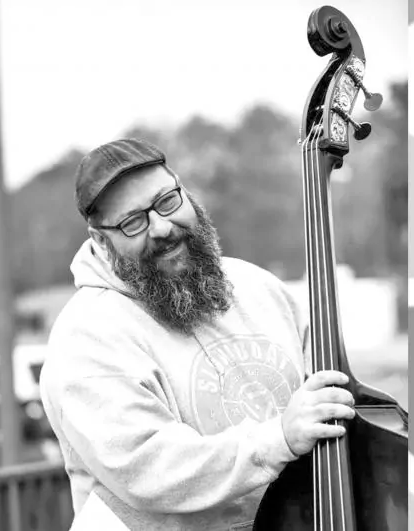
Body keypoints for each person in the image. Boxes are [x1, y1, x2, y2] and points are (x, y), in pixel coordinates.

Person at [39, 138, 355, 530]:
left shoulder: (259, 287)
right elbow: (149, 470)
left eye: (167, 201)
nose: (161, 227)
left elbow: (331, 400)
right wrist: (277, 440)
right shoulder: (86, 337)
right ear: (101, 240)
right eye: (133, 222)